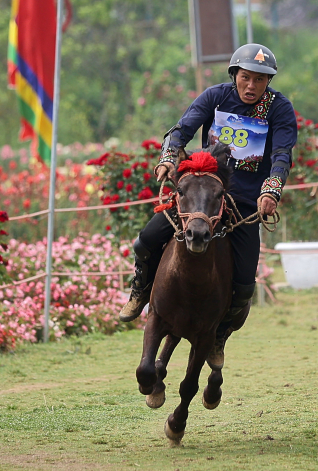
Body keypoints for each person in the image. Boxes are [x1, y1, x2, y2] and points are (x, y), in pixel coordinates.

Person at [119, 43, 298, 370]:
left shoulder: (279, 109)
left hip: (245, 202)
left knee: (244, 283)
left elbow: (282, 154)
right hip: (203, 193)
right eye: (246, 77)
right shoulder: (215, 96)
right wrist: (169, 158)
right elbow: (181, 130)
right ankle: (140, 293)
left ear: (268, 82)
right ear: (235, 75)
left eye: (260, 80)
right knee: (145, 241)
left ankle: (220, 335)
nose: (251, 86)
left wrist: (271, 189)